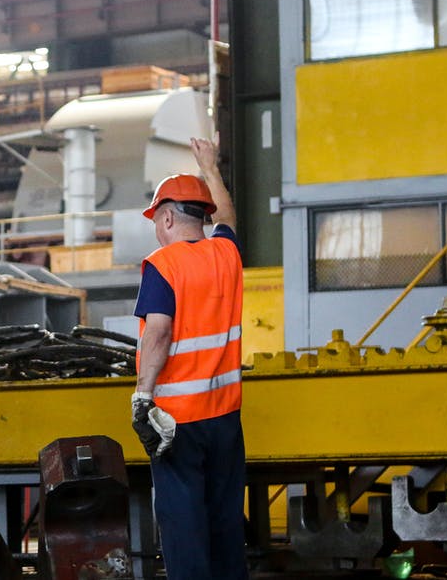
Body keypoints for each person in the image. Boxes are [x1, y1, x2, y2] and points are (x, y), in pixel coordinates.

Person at [131, 136, 247, 580]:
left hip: (177, 423)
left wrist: (143, 396)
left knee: (184, 530)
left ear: (165, 217)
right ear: (204, 217)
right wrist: (210, 168)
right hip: (225, 418)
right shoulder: (227, 256)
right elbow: (229, 220)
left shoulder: (163, 264)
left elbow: (158, 334)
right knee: (224, 525)